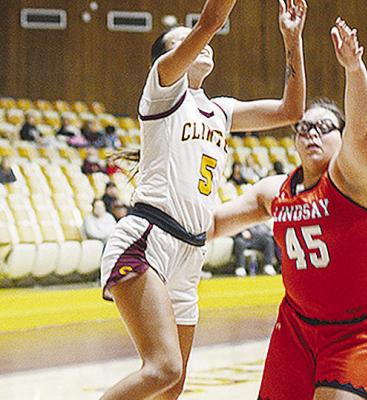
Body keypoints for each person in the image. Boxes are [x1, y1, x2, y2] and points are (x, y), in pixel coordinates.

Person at [100, 0, 307, 398]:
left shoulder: (220, 111)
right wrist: (203, 29)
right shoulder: (162, 87)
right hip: (148, 239)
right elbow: (212, 20)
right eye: (185, 42)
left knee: (171, 387)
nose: (202, 45)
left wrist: (292, 40)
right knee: (162, 368)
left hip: (191, 252)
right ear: (171, 57)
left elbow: (290, 109)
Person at [209, 18, 367, 400]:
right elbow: (212, 224)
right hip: (296, 327)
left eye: (324, 127)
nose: (311, 132)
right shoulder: (274, 190)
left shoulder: (352, 179)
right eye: (304, 127)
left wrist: (353, 68)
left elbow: (363, 129)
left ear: (339, 137)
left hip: (358, 330)